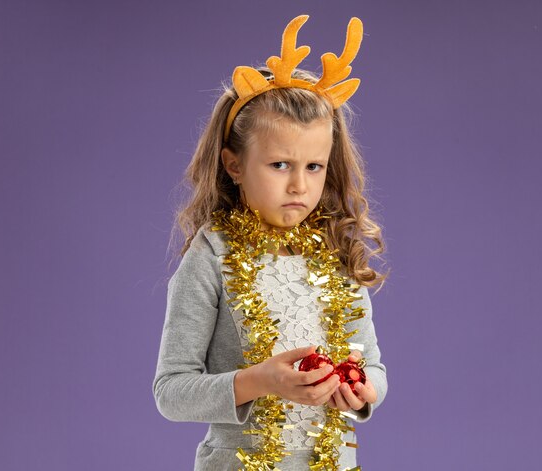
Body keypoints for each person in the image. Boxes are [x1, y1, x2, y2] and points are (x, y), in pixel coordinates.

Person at [153, 15, 389, 470]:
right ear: (234, 164)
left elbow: (374, 364)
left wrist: (364, 390)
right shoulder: (212, 257)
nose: (300, 185)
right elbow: (171, 392)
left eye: (314, 166)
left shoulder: (335, 251)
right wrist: (257, 380)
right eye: (280, 165)